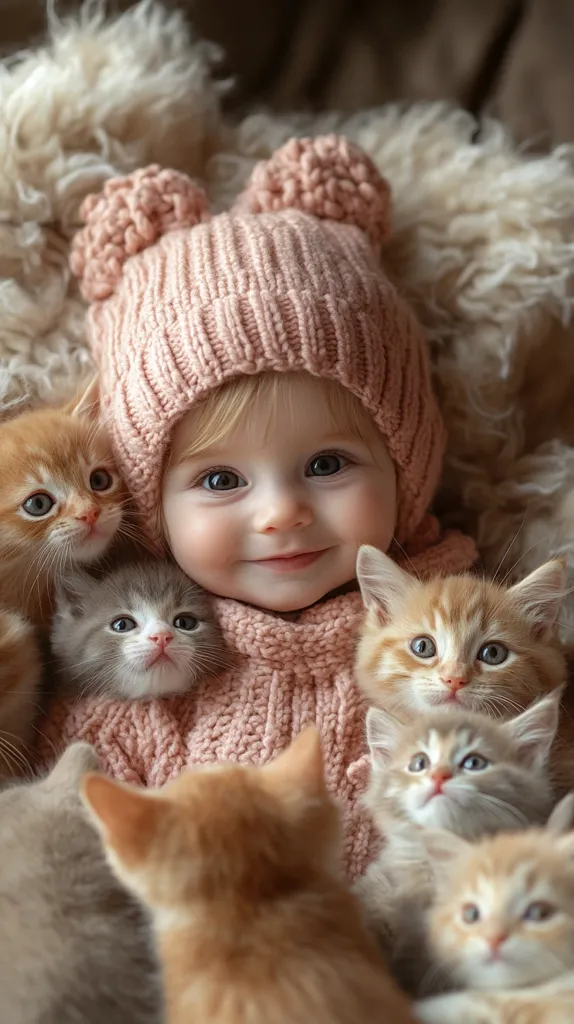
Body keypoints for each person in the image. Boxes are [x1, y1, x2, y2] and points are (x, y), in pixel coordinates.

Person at [41, 136, 476, 877]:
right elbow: (61, 865)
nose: (280, 513)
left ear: (409, 469)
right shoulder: (138, 683)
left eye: (327, 464)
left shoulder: (459, 642)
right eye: (219, 481)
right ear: (149, 504)